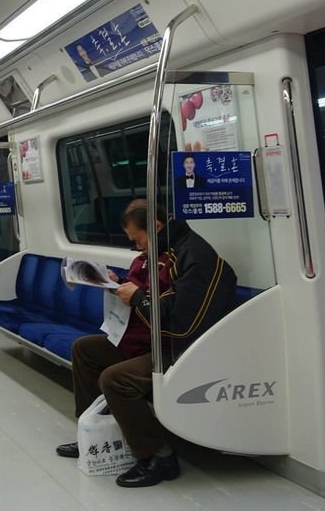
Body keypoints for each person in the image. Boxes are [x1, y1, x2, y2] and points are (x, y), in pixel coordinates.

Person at [56, 201, 237, 489]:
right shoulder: (151, 255)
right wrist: (119, 284)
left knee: (115, 379)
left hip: (182, 348)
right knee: (85, 350)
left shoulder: (195, 257)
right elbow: (147, 290)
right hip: (149, 337)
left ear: (156, 227)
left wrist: (138, 296)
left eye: (138, 239)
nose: (137, 247)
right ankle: (94, 434)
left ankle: (158, 457)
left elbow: (182, 325)